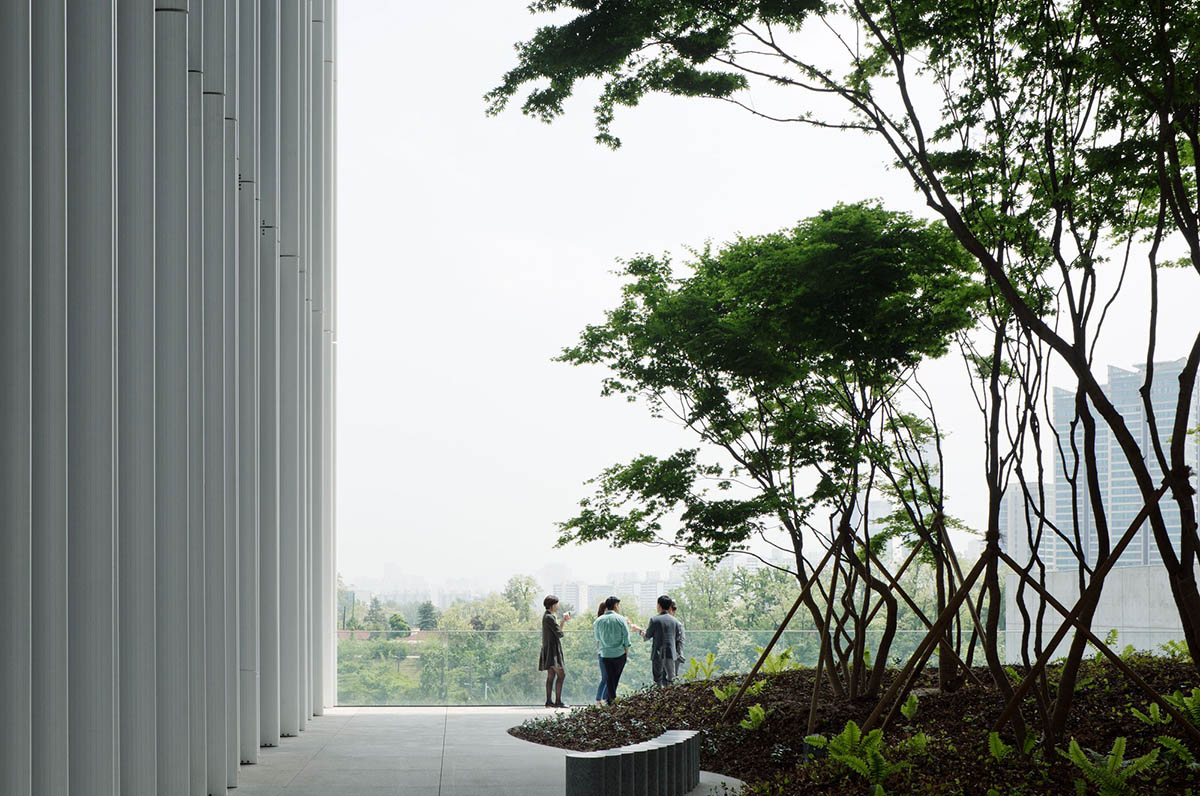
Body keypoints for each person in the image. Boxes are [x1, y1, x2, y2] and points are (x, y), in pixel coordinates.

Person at [593, 596, 632, 705]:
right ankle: (611, 700)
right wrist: (626, 651)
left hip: (605, 654)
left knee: (610, 678)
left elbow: (597, 637)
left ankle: (610, 700)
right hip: (619, 653)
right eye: (618, 605)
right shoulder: (621, 619)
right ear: (615, 605)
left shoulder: (598, 621)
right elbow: (626, 637)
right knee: (615, 678)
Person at [638, 594, 683, 686]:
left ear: (659, 605)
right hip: (671, 653)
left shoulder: (654, 620)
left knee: (657, 679)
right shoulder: (675, 621)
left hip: (658, 653)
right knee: (670, 679)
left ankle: (658, 694)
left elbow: (647, 636)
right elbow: (678, 638)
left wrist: (641, 632)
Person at [538, 595, 570, 708]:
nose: (558, 606)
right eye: (556, 604)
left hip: (549, 649)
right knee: (561, 674)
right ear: (552, 605)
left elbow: (557, 632)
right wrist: (563, 622)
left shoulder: (547, 616)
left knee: (551, 675)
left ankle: (549, 701)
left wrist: (563, 621)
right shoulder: (549, 618)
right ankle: (557, 701)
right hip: (552, 650)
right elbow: (560, 633)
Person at [594, 600, 609, 706]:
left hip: (603, 652)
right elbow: (598, 638)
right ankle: (600, 699)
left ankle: (603, 698)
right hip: (603, 652)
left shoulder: (600, 621)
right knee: (605, 677)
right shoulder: (600, 621)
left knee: (607, 677)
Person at [668, 599, 685, 671]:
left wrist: (678, 655)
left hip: (674, 655)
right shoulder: (677, 624)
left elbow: (680, 641)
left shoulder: (677, 624)